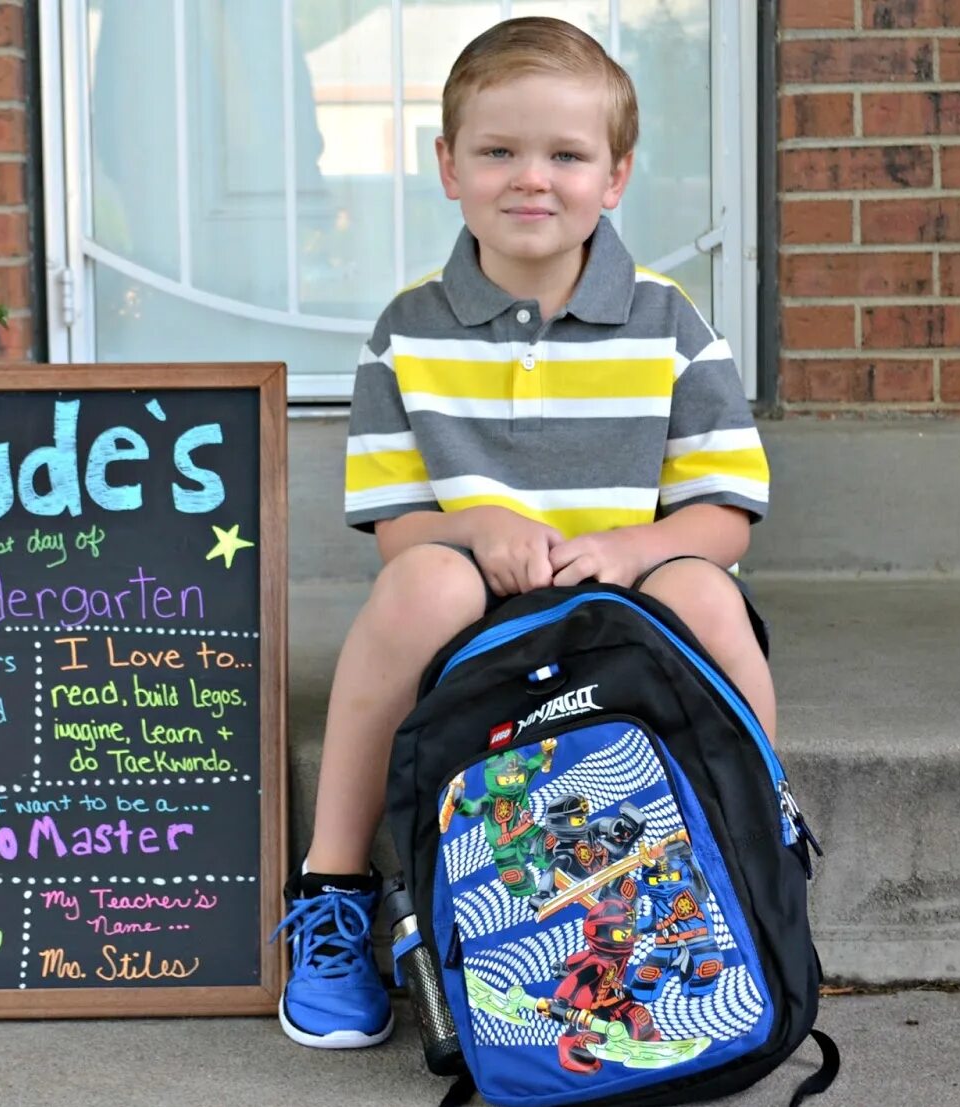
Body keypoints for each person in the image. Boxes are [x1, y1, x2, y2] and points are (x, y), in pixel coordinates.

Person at [272, 16, 771, 1050]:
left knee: (705, 588)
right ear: (446, 167)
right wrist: (472, 522)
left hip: (623, 616)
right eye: (497, 151)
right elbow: (397, 524)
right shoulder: (406, 328)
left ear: (616, 175)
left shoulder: (670, 322)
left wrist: (634, 551)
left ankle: (762, 843)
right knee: (420, 583)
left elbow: (725, 512)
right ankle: (333, 889)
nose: (530, 178)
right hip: (476, 623)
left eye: (565, 154)